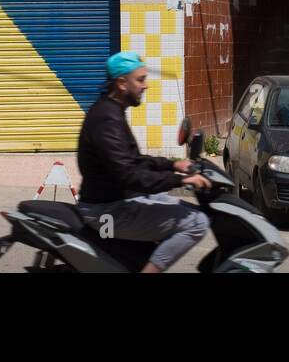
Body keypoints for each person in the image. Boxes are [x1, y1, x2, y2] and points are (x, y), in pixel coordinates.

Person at [75, 52, 211, 273]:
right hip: (107, 213)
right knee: (197, 222)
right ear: (121, 83)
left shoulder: (111, 111)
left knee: (170, 203)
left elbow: (134, 160)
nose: (146, 86)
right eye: (140, 79)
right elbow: (131, 175)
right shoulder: (108, 120)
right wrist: (180, 180)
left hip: (115, 199)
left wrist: (173, 165)